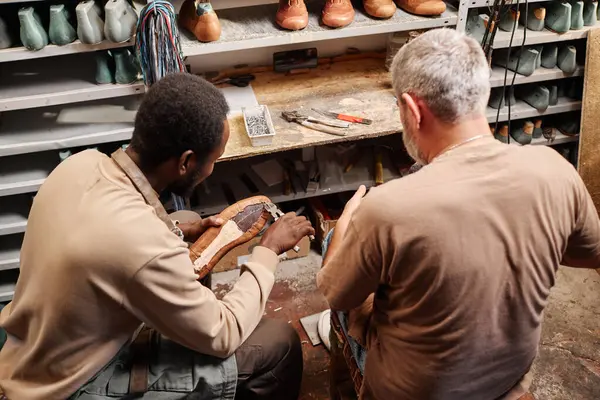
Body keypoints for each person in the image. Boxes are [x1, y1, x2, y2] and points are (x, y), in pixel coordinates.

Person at [317, 28, 600, 400]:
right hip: (509, 376)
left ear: (412, 109)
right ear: (482, 94)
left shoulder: (384, 208)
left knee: (332, 245)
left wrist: (351, 219)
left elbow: (337, 294)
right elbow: (589, 253)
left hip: (412, 392)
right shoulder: (555, 168)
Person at [0, 73, 314, 400]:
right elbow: (225, 333)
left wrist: (177, 230)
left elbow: (116, 233)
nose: (212, 169)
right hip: (72, 384)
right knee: (278, 345)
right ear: (186, 162)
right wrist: (267, 250)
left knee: (187, 219)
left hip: (30, 350)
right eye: (214, 160)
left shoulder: (80, 164)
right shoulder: (143, 244)